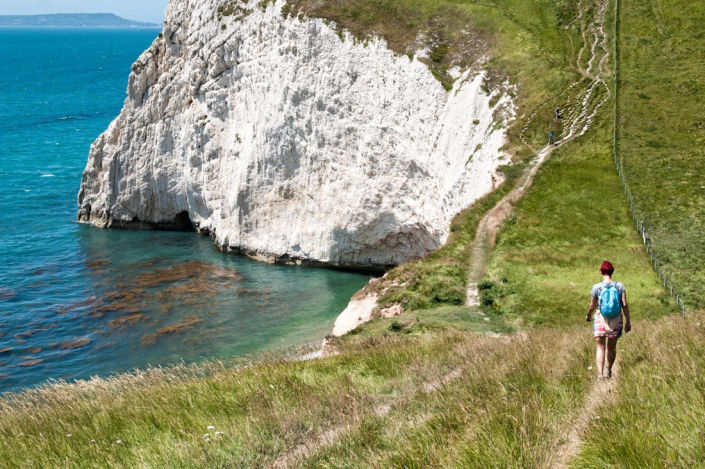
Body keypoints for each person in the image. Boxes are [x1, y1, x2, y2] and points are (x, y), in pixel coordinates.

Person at [587, 261, 631, 379]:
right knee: (611, 347)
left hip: (600, 319)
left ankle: (600, 375)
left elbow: (592, 306)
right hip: (616, 320)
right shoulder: (620, 286)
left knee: (600, 347)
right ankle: (608, 370)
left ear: (601, 272)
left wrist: (588, 314)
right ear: (612, 272)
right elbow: (625, 305)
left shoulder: (597, 287)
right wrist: (628, 321)